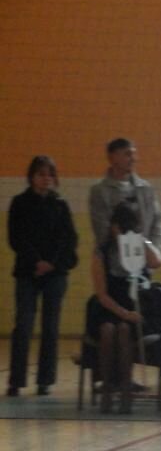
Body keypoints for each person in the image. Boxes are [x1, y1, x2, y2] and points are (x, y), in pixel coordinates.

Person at [7, 156, 79, 397]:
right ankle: (16, 380)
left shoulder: (60, 205)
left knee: (51, 327)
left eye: (50, 174)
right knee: (23, 326)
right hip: (27, 272)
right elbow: (16, 238)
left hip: (55, 273)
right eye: (41, 174)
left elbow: (68, 239)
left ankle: (45, 381)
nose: (46, 178)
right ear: (31, 177)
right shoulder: (19, 203)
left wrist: (51, 263)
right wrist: (36, 261)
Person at [87, 202, 161, 413]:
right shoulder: (102, 252)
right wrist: (123, 313)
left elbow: (157, 261)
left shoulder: (139, 248)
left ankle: (125, 389)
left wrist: (141, 239)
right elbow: (101, 294)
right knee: (107, 330)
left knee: (124, 330)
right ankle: (107, 387)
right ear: (113, 226)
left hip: (135, 304)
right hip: (109, 306)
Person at [89, 137, 161, 248]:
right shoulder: (99, 191)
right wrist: (127, 247)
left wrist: (152, 249)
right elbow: (101, 230)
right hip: (114, 256)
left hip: (145, 254)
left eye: (134, 154)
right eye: (128, 154)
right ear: (112, 157)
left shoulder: (146, 188)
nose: (134, 159)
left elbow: (157, 223)